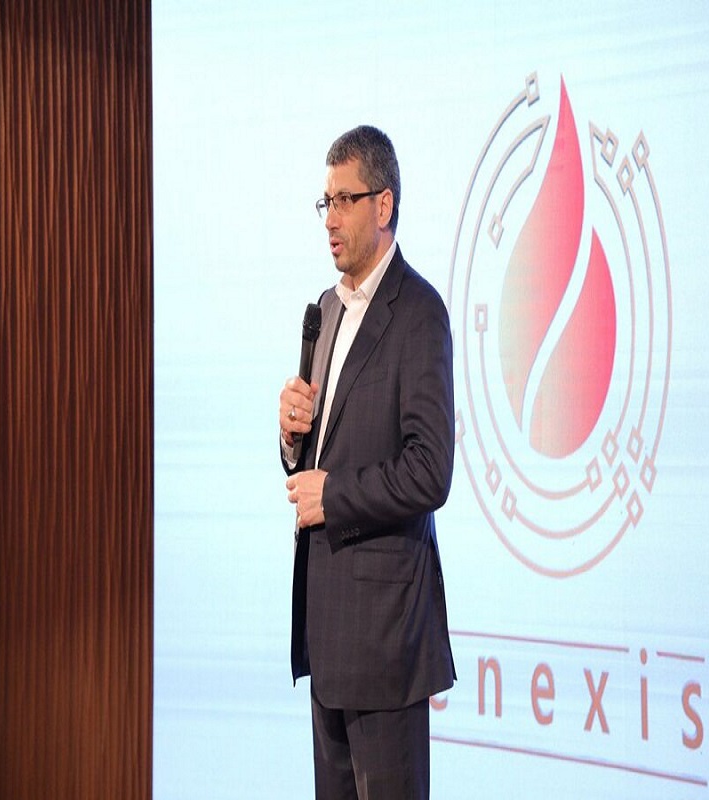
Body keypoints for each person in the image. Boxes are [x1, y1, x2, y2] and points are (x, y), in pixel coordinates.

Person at [279, 124, 456, 799]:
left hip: (385, 639)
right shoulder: (326, 310)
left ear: (384, 205)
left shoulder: (419, 313)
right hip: (327, 630)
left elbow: (429, 470)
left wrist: (333, 495)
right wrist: (291, 437)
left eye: (344, 200)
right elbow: (319, 457)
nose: (330, 219)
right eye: (324, 202)